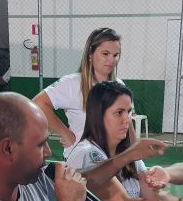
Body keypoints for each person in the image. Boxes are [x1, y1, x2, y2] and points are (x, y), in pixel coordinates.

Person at [33, 27, 122, 158]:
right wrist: (64, 132)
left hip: (111, 159)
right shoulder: (73, 83)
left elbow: (127, 126)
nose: (111, 60)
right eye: (105, 54)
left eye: (115, 55)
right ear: (90, 54)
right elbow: (38, 103)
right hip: (80, 160)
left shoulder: (119, 86)